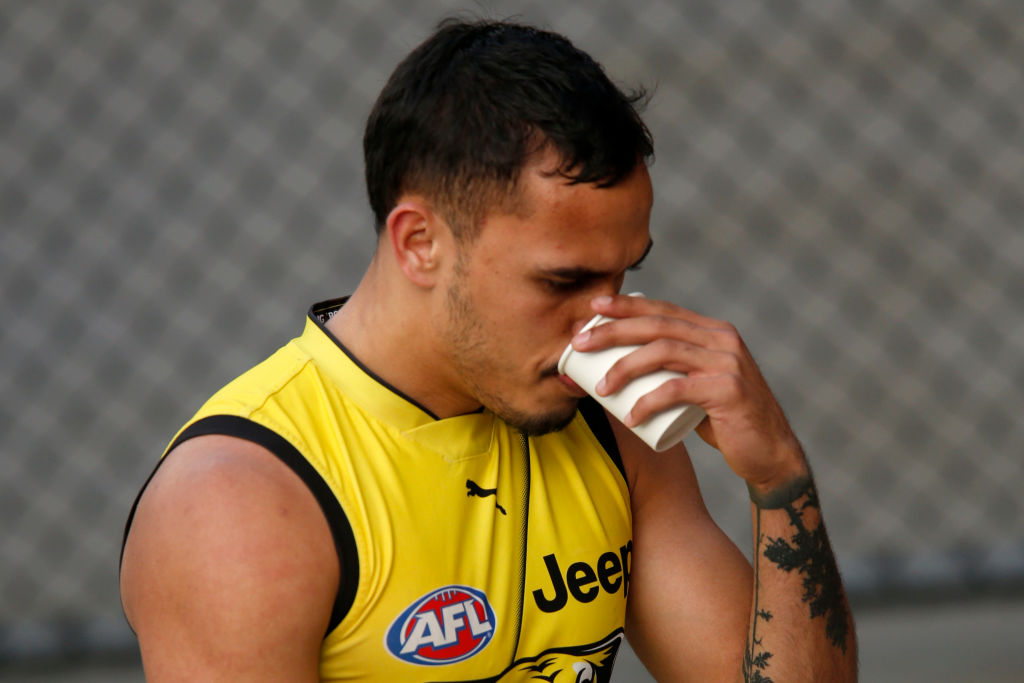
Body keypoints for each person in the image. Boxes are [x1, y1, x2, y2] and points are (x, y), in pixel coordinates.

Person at [120, 17, 857, 682]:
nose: (602, 321)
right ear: (420, 242)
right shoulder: (242, 503)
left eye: (622, 275)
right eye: (563, 281)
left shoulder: (613, 429)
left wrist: (780, 477)